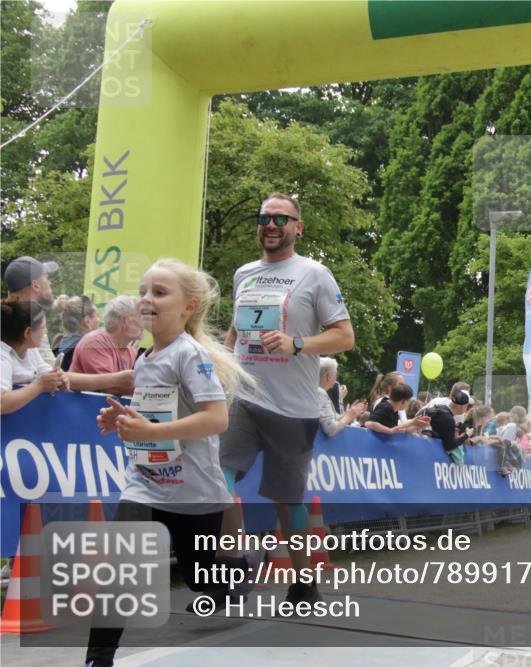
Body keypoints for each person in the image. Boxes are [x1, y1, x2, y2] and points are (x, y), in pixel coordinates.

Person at [84, 258, 255, 667]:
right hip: (144, 483)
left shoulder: (189, 355)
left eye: (159, 293)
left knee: (201, 579)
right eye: (143, 291)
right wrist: (120, 419)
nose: (146, 299)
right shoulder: (143, 359)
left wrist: (150, 433)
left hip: (195, 493)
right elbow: (152, 415)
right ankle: (98, 658)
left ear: (188, 307)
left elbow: (217, 418)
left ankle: (239, 571)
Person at [218, 192, 355, 607]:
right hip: (244, 396)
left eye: (281, 218)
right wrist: (220, 368)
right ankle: (232, 568)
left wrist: (296, 343)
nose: (271, 224)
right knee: (218, 477)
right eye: (264, 217)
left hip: (293, 407)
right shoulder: (244, 274)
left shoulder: (315, 274)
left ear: (298, 227)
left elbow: (344, 336)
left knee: (286, 501)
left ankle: (303, 579)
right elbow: (235, 332)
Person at [1, 299, 134, 415]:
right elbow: (2, 403)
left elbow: (51, 375)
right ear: (28, 333)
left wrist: (60, 379)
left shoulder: (31, 351)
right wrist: (39, 386)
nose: (45, 332)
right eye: (42, 328)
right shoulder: (3, 356)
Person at [70, 295, 141, 396]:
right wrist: (154, 390)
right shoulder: (95, 343)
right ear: (125, 320)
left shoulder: (128, 349)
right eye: (140, 317)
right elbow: (111, 388)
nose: (145, 323)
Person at [3, 256, 59, 364]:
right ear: (35, 285)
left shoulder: (10, 318)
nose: (50, 283)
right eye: (46, 278)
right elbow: (52, 373)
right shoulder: (29, 322)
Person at [317, 358, 365, 437]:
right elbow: (330, 429)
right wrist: (349, 416)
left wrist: (349, 413)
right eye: (336, 374)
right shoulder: (320, 393)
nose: (337, 377)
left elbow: (332, 417)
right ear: (329, 377)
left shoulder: (316, 391)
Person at [422, 388, 472, 463]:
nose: (466, 409)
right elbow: (449, 446)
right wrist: (466, 435)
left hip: (425, 449)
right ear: (461, 407)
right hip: (432, 457)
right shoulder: (448, 419)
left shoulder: (440, 408)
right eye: (466, 406)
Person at [52, 295, 100, 371]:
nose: (98, 320)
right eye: (97, 316)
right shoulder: (89, 349)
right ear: (87, 321)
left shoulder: (58, 342)